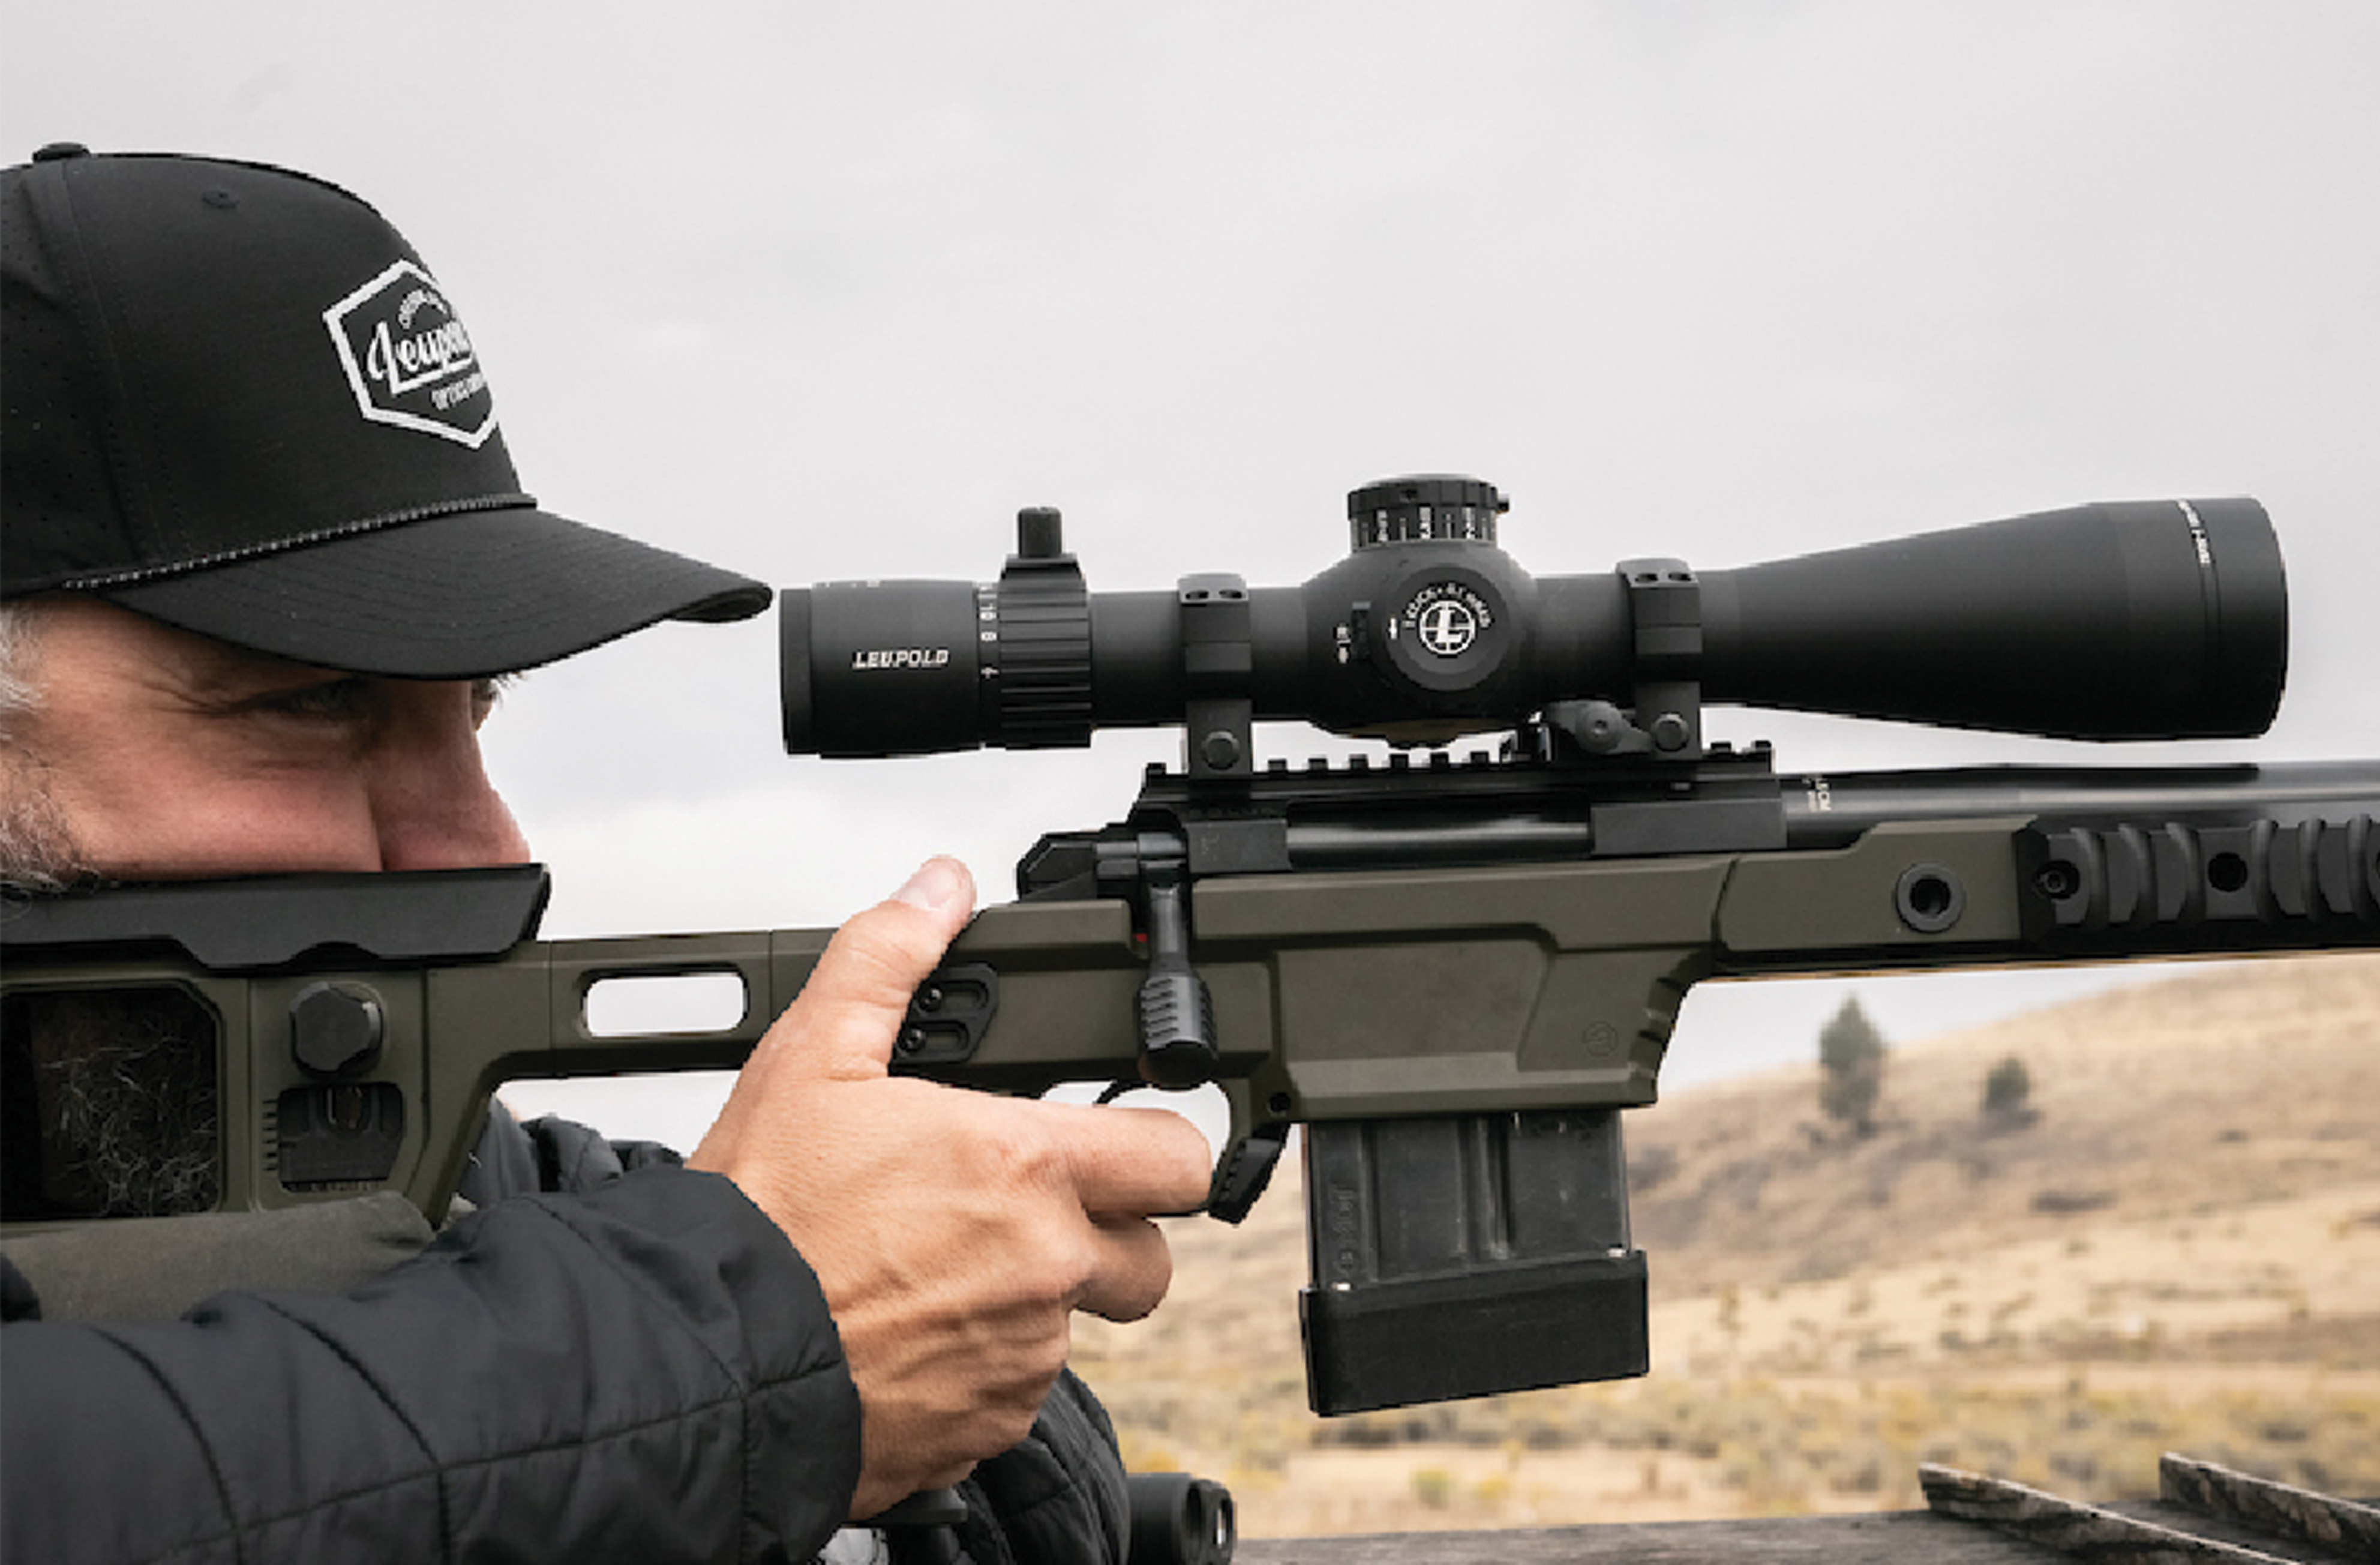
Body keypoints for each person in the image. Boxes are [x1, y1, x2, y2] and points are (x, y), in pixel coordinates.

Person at [0, 145, 1213, 1563]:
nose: (488, 845)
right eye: (313, 701)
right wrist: (740, 1359)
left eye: (476, 708)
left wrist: (908, 1345)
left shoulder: (444, 1183)